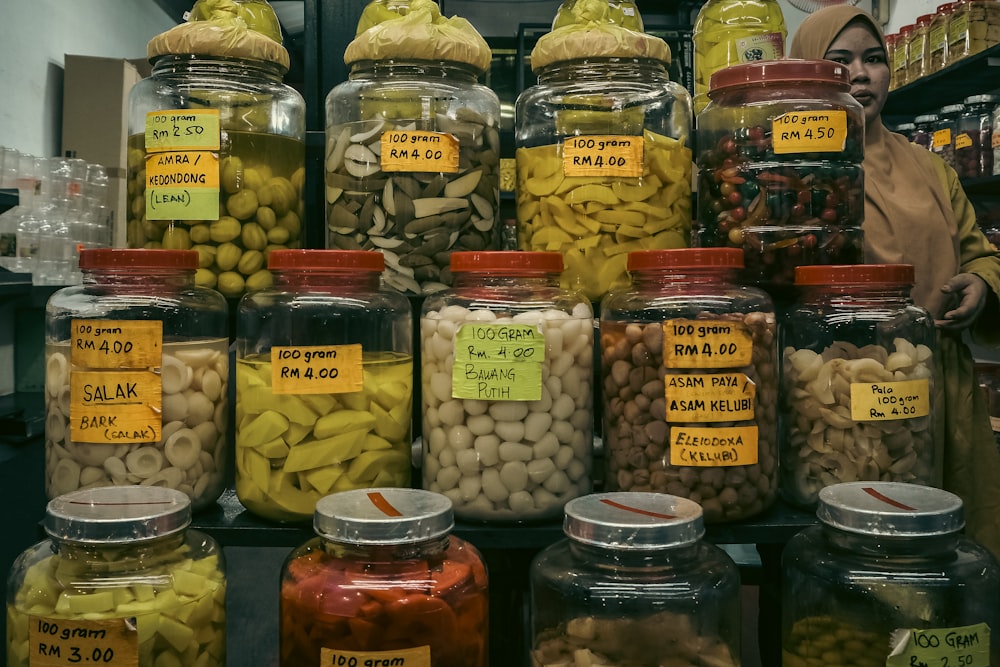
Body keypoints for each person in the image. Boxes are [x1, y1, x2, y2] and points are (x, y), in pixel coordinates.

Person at [788, 7, 1000, 555]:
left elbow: (978, 252)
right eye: (839, 61)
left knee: (946, 545)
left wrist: (981, 283)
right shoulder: (785, 164)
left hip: (939, 383)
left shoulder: (931, 168)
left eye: (873, 59)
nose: (860, 74)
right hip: (835, 395)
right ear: (808, 71)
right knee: (844, 548)